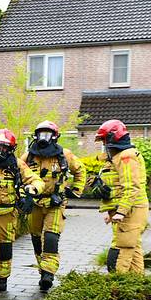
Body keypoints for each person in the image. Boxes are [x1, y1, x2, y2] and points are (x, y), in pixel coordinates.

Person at [0, 128, 42, 298]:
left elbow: (36, 180)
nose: (0, 151)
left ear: (10, 149)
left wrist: (32, 190)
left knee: (5, 248)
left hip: (8, 214)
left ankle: (2, 278)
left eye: (4, 148)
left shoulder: (17, 165)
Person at [24, 120, 86, 291]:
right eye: (40, 134)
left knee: (51, 237)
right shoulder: (28, 157)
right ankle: (42, 268)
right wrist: (22, 196)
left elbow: (80, 170)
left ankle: (48, 273)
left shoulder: (64, 155)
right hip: (35, 203)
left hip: (55, 203)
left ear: (55, 136)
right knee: (37, 239)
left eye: (47, 134)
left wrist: (76, 190)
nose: (43, 138)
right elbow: (17, 173)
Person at [94, 119, 148, 274]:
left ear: (113, 137)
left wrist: (121, 212)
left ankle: (116, 284)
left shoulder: (126, 156)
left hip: (131, 210)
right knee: (133, 247)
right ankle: (135, 284)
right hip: (126, 210)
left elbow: (132, 186)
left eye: (104, 140)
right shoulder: (118, 157)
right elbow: (115, 186)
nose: (104, 144)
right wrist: (110, 211)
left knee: (121, 250)